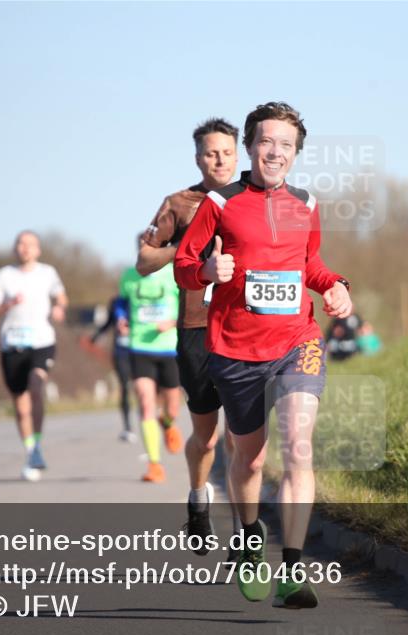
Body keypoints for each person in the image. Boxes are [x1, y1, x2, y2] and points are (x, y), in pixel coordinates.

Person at [175, 102, 353, 609]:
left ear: (296, 153)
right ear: (251, 146)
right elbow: (185, 264)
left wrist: (336, 286)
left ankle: (294, 569)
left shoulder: (307, 203)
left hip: (297, 341)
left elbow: (310, 264)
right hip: (234, 348)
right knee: (249, 460)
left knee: (299, 447)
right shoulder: (221, 204)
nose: (276, 152)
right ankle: (251, 541)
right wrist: (208, 273)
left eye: (287, 145)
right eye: (268, 142)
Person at [137, 118, 241, 556]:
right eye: (211, 152)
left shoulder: (254, 200)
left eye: (227, 152)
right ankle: (199, 499)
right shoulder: (179, 204)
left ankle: (243, 531)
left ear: (240, 155)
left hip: (245, 330)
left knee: (243, 437)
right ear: (198, 157)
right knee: (208, 437)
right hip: (196, 330)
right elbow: (143, 260)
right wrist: (183, 251)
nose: (219, 160)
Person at [0, 230, 67, 482]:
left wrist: (60, 307)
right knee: (20, 407)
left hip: (42, 342)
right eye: (20, 244)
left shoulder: (48, 273)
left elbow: (61, 296)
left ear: (38, 250)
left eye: (30, 244)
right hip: (12, 345)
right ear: (15, 249)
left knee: (36, 385)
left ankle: (38, 445)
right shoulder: (4, 276)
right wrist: (7, 305)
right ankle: (32, 450)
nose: (25, 248)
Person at [120, 253, 183, 483]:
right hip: (139, 347)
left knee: (173, 408)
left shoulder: (173, 273)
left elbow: (188, 306)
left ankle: (166, 423)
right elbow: (122, 303)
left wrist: (173, 322)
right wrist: (121, 318)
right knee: (146, 403)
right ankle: (155, 465)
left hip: (169, 348)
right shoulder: (129, 275)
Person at [89, 295, 138, 444]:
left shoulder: (142, 299)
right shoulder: (116, 302)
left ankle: (150, 418)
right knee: (124, 387)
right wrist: (95, 336)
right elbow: (109, 322)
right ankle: (127, 426)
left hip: (140, 351)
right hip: (121, 353)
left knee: (144, 387)